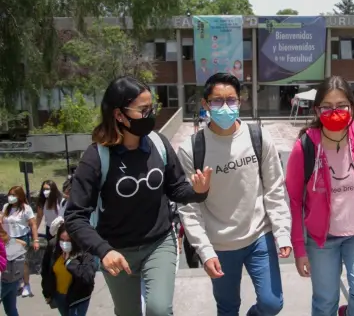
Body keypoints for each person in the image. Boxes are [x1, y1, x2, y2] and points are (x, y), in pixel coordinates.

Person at [64, 76, 211, 316]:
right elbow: (75, 216)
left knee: (159, 309)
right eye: (143, 110)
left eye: (151, 108)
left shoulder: (158, 143)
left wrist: (198, 191)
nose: (150, 115)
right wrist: (103, 250)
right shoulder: (96, 157)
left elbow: (175, 189)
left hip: (159, 242)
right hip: (116, 250)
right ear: (119, 115)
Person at [178, 73, 291, 316]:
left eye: (231, 100)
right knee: (228, 308)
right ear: (205, 104)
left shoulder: (259, 137)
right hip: (220, 244)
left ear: (240, 101)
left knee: (272, 303)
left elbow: (274, 188)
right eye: (217, 101)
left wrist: (282, 232)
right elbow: (188, 209)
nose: (225, 107)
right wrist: (205, 251)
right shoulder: (192, 149)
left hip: (259, 236)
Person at [285, 75, 354, 316]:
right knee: (325, 302)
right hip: (322, 240)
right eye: (327, 107)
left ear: (352, 106)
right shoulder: (305, 146)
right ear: (317, 110)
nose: (335, 112)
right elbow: (294, 200)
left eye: (341, 105)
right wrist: (299, 249)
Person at [41, 217, 96, 316]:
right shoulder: (53, 247)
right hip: (59, 296)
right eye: (62, 239)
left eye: (69, 240)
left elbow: (87, 277)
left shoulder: (85, 250)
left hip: (78, 298)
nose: (65, 243)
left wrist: (70, 262)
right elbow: (45, 270)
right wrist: (46, 292)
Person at [1, 186, 39, 297]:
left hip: (21, 238)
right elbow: (2, 218)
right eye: (9, 195)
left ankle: (26, 285)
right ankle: (15, 283)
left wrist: (35, 240)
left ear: (19, 196)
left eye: (13, 195)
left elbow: (33, 224)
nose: (10, 197)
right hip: (8, 238)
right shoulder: (6, 207)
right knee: (9, 263)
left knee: (22, 263)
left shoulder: (26, 208)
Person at [0, 221, 26, 316]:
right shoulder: (4, 235)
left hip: (3, 281)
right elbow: (23, 243)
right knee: (11, 309)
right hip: (14, 279)